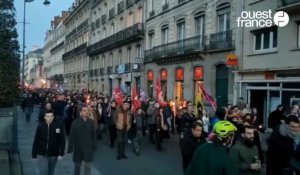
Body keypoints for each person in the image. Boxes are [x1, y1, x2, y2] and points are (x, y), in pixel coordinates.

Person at [32, 109, 65, 175]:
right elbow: (36, 140)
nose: (50, 118)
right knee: (43, 172)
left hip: (53, 154)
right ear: (45, 117)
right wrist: (34, 155)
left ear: (53, 117)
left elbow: (62, 140)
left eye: (51, 116)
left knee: (51, 172)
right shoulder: (40, 127)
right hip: (41, 154)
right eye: (48, 116)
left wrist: (61, 153)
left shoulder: (58, 126)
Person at [68, 105, 97, 175]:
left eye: (87, 110)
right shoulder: (75, 122)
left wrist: (94, 145)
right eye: (84, 110)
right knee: (77, 166)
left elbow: (94, 135)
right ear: (80, 112)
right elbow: (71, 135)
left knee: (88, 167)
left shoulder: (91, 122)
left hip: (88, 148)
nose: (86, 112)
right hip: (78, 147)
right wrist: (70, 148)